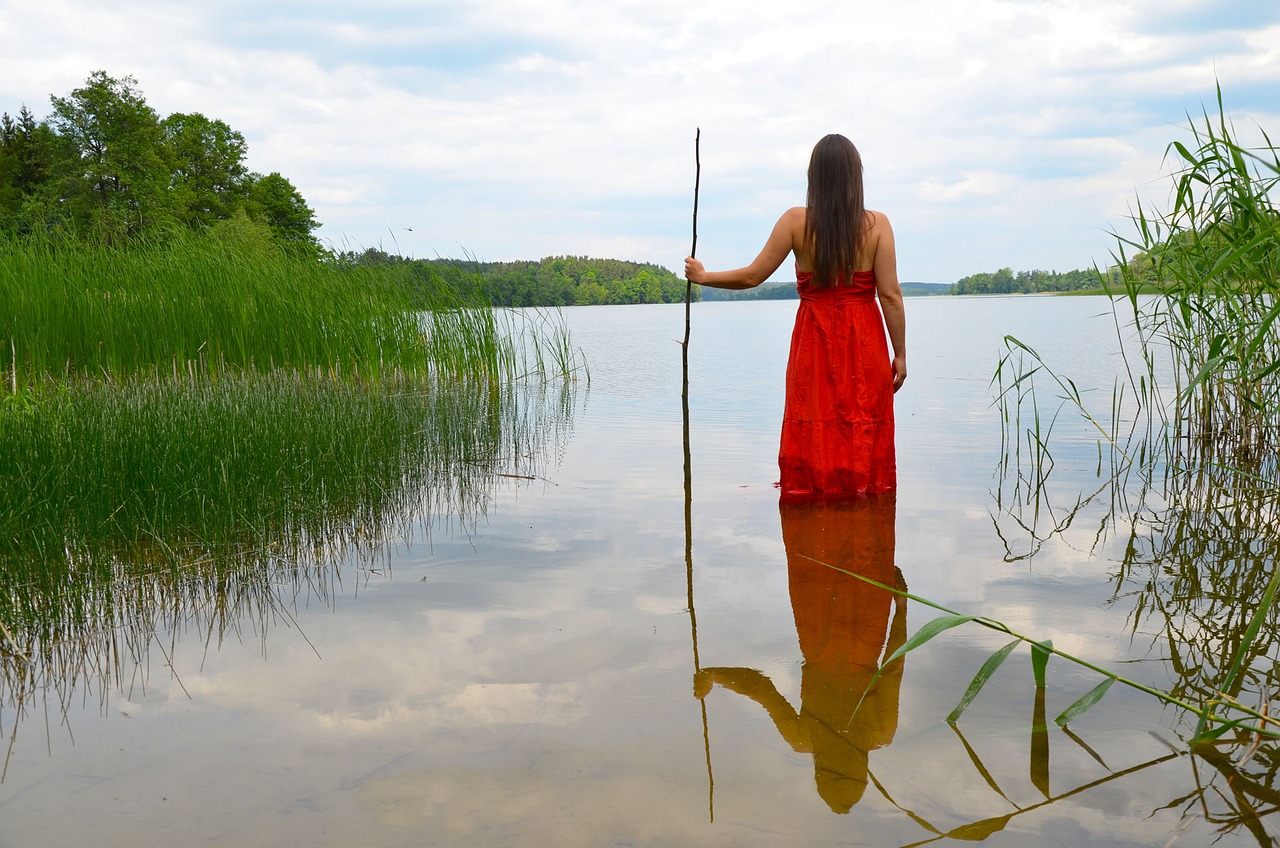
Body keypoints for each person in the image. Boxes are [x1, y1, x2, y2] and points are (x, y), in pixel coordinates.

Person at [684, 134, 906, 495]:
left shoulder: (795, 221)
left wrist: (705, 277)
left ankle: (813, 500)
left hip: (814, 336)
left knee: (814, 414)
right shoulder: (877, 225)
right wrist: (900, 354)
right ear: (855, 176)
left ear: (814, 176)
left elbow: (753, 276)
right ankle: (862, 502)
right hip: (863, 338)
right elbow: (891, 296)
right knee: (861, 417)